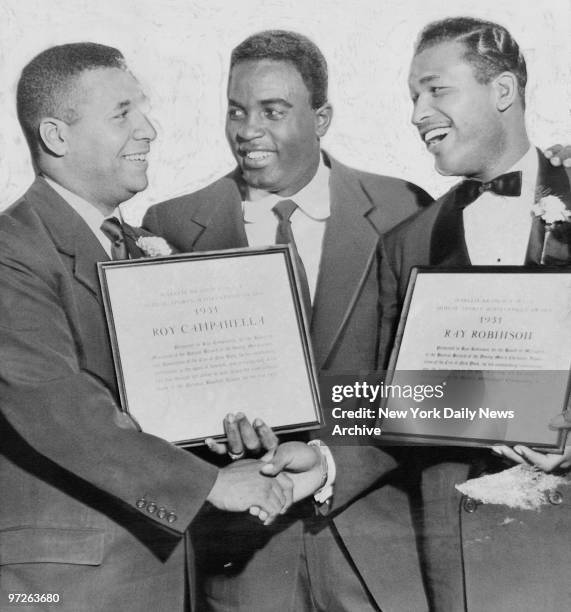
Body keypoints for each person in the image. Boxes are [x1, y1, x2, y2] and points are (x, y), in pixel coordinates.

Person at [0, 42, 301, 612]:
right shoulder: (11, 249)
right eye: (122, 114)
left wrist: (214, 426)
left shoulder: (142, 247)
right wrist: (210, 483)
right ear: (57, 136)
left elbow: (155, 398)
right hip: (67, 584)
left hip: (161, 571)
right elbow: (53, 405)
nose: (149, 130)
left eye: (143, 111)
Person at [144, 30, 433, 612]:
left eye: (273, 111)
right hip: (244, 562)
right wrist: (205, 425)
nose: (248, 129)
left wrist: (330, 460)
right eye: (236, 110)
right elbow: (164, 397)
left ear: (321, 117)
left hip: (377, 552)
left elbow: (423, 386)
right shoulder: (170, 224)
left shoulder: (406, 207)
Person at [377, 17, 571, 611]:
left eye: (436, 90)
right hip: (461, 556)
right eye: (413, 96)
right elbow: (384, 401)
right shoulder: (405, 243)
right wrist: (324, 456)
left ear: (503, 92)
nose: (417, 113)